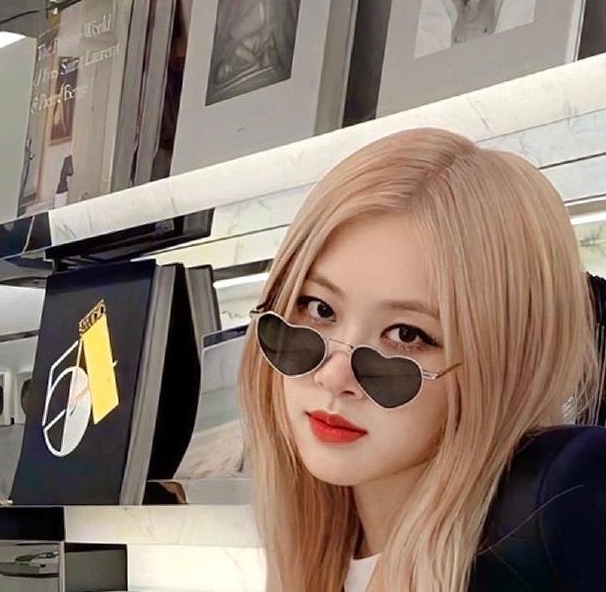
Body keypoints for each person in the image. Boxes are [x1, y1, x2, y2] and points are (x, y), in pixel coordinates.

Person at [237, 128, 606, 592]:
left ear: (503, 364)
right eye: (319, 309)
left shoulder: (566, 501)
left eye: (406, 335)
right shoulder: (316, 554)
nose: (333, 376)